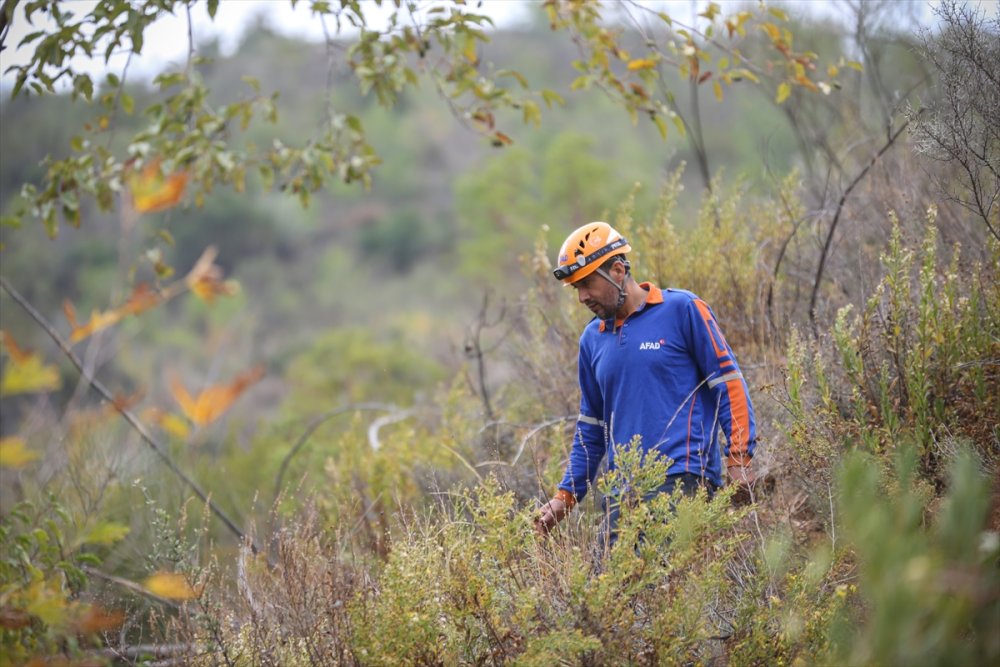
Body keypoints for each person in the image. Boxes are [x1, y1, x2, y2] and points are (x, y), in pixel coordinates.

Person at [534, 222, 758, 544]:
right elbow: (591, 428)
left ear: (618, 269)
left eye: (586, 284)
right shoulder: (591, 340)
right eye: (575, 289)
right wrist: (566, 497)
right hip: (619, 493)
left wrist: (738, 459)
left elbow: (728, 384)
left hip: (682, 479)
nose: (582, 297)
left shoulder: (682, 309)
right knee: (607, 592)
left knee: (661, 587)